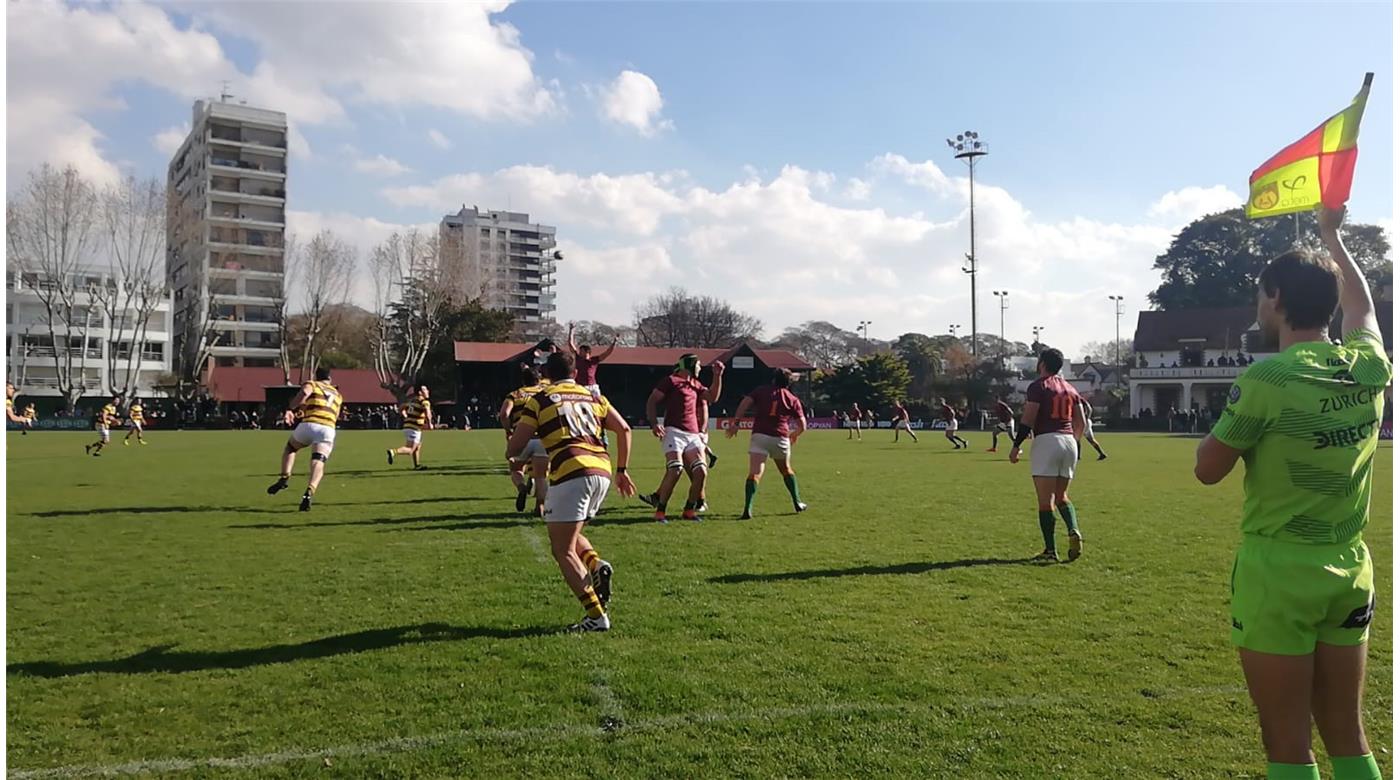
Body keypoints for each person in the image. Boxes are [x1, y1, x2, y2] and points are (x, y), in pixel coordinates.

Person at [1194, 206, 1388, 780]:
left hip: (1279, 572)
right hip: (1350, 565)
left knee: (1287, 742)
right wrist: (1333, 235)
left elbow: (1208, 469)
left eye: (1260, 296)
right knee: (1348, 736)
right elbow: (1365, 308)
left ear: (1275, 298)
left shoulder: (1266, 379)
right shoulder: (1371, 366)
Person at [506, 350, 635, 632]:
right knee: (572, 534)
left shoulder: (539, 400)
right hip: (601, 470)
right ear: (575, 373)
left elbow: (515, 447)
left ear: (546, 376)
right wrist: (622, 471)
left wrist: (520, 453)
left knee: (561, 549)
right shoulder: (594, 396)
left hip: (570, 471)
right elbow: (624, 429)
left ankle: (596, 617)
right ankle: (596, 564)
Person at [1008, 349, 1086, 562]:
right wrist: (1074, 443)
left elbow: (1028, 418)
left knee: (1046, 501)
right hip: (1070, 441)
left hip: (1047, 441)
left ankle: (1050, 551)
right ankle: (1073, 529)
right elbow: (1082, 423)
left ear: (1041, 363)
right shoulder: (1071, 388)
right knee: (1062, 496)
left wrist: (1016, 446)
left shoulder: (1038, 386)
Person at [639, 354, 724, 522]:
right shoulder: (671, 381)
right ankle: (660, 511)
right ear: (690, 365)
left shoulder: (696, 384)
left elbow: (713, 397)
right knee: (675, 469)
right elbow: (651, 401)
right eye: (698, 365)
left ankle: (689, 510)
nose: (700, 368)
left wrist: (718, 376)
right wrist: (654, 423)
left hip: (693, 435)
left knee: (701, 471)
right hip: (673, 432)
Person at [726, 368, 808, 519]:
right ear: (788, 383)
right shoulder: (792, 398)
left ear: (773, 379)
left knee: (755, 473)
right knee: (786, 470)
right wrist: (795, 434)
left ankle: (748, 508)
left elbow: (745, 403)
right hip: (780, 437)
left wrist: (736, 422)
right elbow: (802, 424)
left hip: (760, 435)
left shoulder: (761, 391)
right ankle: (797, 502)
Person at [266, 366, 342, 512]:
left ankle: (284, 478)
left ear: (316, 376)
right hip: (327, 429)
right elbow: (335, 415)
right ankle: (309, 491)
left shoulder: (312, 384)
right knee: (318, 461)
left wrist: (290, 408)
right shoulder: (337, 394)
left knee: (291, 448)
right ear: (330, 379)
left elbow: (304, 393)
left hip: (309, 425)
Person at [499, 365, 552, 515]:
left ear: (523, 380)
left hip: (521, 437)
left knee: (516, 468)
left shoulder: (515, 395)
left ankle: (522, 487)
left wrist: (508, 429)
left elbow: (504, 414)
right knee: (541, 475)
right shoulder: (545, 394)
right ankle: (540, 506)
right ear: (538, 379)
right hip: (542, 438)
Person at [387, 385, 434, 470]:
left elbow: (401, 407)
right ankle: (393, 452)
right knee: (410, 449)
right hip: (414, 428)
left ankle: (417, 465)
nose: (428, 391)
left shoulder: (412, 401)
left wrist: (404, 415)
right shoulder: (424, 402)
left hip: (408, 426)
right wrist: (430, 423)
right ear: (420, 392)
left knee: (417, 446)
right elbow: (427, 412)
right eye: (425, 390)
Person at [567, 324, 618, 399]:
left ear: (587, 352)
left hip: (592, 387)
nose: (580, 352)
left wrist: (614, 342)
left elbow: (607, 353)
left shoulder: (594, 360)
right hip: (580, 386)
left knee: (598, 403)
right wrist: (571, 330)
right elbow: (570, 344)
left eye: (581, 351)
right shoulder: (578, 358)